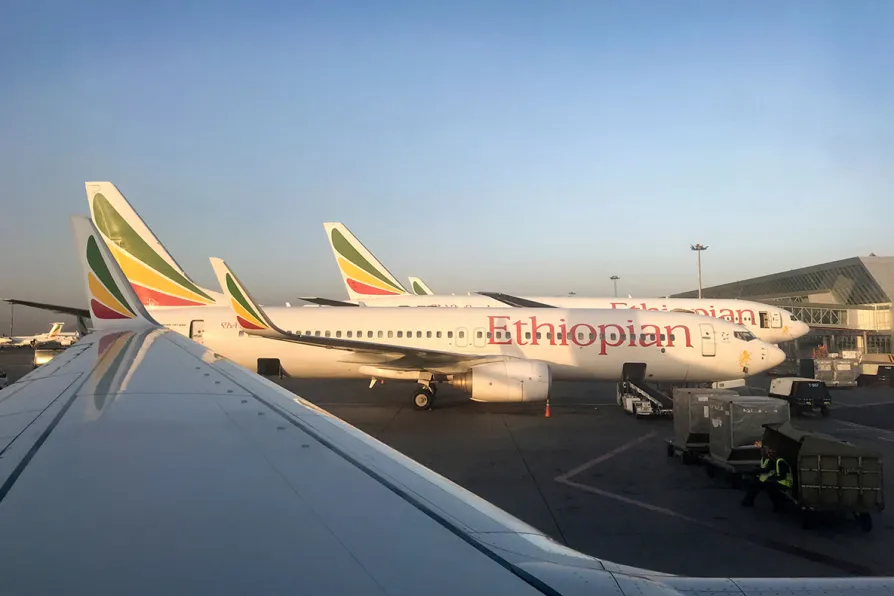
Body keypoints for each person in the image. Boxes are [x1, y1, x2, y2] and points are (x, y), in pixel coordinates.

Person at [741, 446, 793, 510]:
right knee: (754, 484)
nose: (762, 453)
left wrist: (756, 471)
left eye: (764, 452)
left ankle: (779, 506)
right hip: (769, 480)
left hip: (782, 482)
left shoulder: (778, 461)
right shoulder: (765, 459)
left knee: (770, 487)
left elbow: (772, 471)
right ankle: (748, 501)